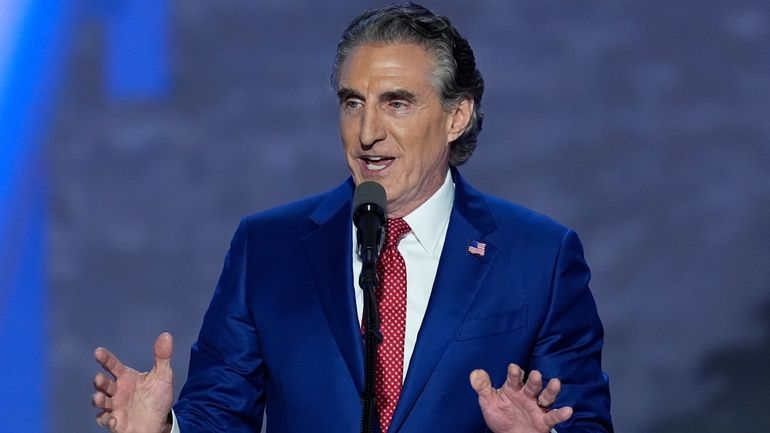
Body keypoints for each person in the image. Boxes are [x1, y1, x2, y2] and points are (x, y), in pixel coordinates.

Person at [91, 4, 612, 433]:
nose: (367, 132)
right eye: (352, 102)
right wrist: (163, 431)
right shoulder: (269, 249)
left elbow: (582, 422)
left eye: (397, 103)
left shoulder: (538, 257)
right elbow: (221, 414)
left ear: (456, 116)